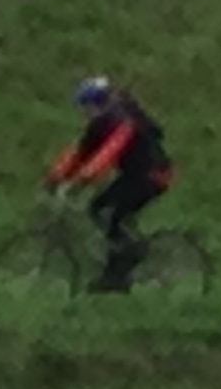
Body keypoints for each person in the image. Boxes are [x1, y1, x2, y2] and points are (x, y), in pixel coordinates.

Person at [46, 75, 175, 292]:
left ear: (97, 103)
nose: (84, 112)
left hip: (152, 176)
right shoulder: (100, 124)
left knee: (109, 213)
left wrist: (85, 177)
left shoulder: (122, 121)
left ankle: (123, 266)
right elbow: (80, 153)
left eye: (86, 106)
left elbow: (109, 151)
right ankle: (121, 262)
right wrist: (56, 176)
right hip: (135, 175)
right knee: (98, 208)